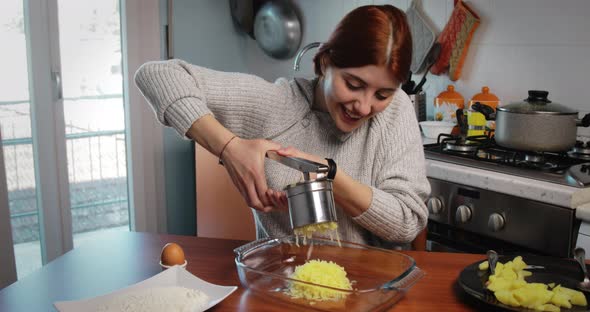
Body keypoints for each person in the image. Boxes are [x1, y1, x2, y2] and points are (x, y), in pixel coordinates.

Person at [134, 5, 430, 247]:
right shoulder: (276, 104)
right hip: (284, 281)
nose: (365, 107)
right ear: (326, 63)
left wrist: (330, 176)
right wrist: (230, 148)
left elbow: (407, 224)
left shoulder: (396, 111)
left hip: (373, 288)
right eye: (353, 85)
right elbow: (157, 75)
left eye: (382, 94)